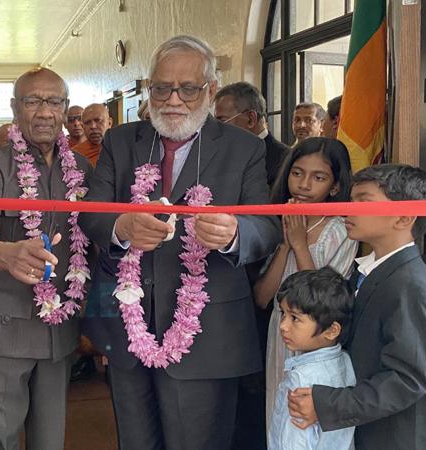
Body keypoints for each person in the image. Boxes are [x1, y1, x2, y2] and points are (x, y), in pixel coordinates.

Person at [79, 35, 280, 449]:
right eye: (161, 88)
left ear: (209, 90)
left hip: (206, 333)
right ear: (148, 89)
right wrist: (123, 227)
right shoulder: (121, 141)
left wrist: (233, 235)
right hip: (127, 327)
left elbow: (266, 227)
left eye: (187, 88)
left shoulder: (242, 148)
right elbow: (91, 213)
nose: (173, 99)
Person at [0, 67, 93, 450]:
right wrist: (10, 253)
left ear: (66, 108)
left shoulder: (83, 170)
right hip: (5, 328)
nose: (44, 112)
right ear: (15, 108)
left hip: (59, 331)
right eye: (33, 101)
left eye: (54, 101)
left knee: (50, 440)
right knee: (0, 439)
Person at [288, 164, 426, 450]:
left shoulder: (410, 286)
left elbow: (407, 379)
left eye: (363, 201)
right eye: (350, 198)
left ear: (404, 216)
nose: (349, 207)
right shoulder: (372, 272)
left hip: (397, 436)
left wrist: (327, 405)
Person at [253, 137, 357, 427]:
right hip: (281, 331)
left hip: (315, 341)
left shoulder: (340, 230)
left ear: (335, 186)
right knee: (277, 416)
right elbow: (262, 298)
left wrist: (300, 246)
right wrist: (285, 245)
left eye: (319, 177)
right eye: (297, 173)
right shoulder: (279, 222)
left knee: (303, 420)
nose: (304, 185)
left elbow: (320, 303)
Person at [268, 268, 356, 450]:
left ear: (332, 330)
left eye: (295, 318)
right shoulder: (346, 362)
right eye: (282, 313)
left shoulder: (302, 380)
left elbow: (293, 442)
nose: (283, 326)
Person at [215, 82, 288, 188]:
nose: (217, 129)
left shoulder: (283, 161)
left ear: (251, 119)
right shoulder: (221, 155)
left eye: (222, 121)